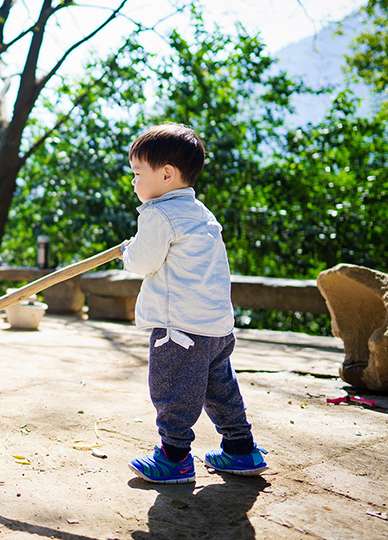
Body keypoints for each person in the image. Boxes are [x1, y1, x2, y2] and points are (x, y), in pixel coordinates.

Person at [121, 123, 268, 484]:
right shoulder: (202, 213)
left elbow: (143, 262)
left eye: (137, 173)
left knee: (171, 388)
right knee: (219, 388)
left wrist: (128, 252)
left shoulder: (158, 214)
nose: (134, 183)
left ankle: (174, 458)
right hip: (215, 326)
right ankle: (240, 449)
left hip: (179, 328)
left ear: (166, 174)